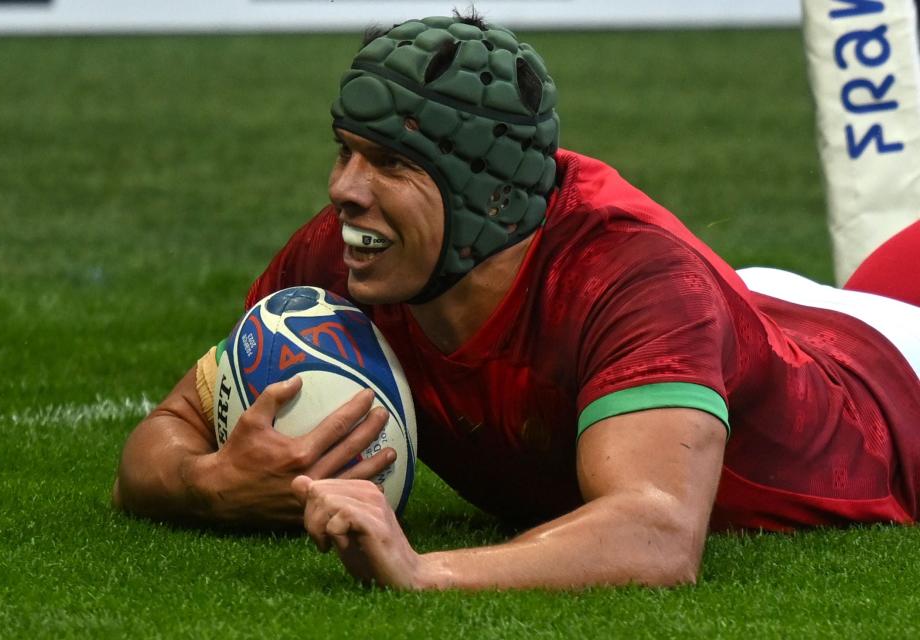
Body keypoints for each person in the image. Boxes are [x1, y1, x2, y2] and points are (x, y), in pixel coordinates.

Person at [114, 13, 920, 590]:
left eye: (391, 165)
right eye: (345, 152)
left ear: (491, 204)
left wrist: (424, 569)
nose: (343, 190)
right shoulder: (349, 255)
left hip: (894, 382)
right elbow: (158, 440)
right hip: (760, 315)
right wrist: (211, 483)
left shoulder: (631, 279)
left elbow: (656, 533)